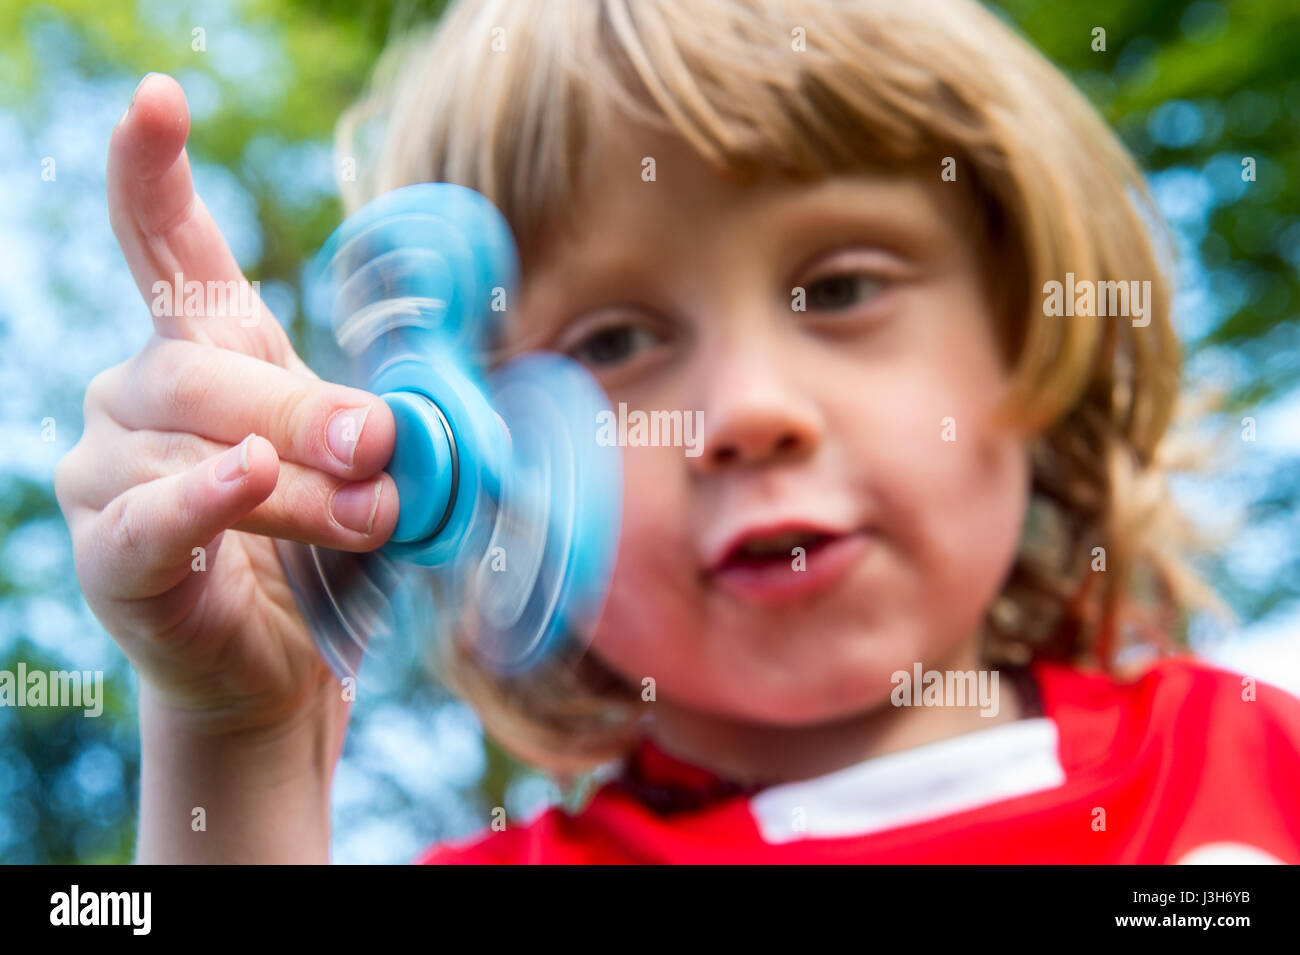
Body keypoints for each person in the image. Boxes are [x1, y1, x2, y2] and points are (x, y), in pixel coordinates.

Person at [56, 0, 1300, 864]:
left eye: (841, 287)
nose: (746, 413)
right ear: (487, 468)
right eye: (610, 344)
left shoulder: (1260, 767)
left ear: (1027, 331)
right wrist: (242, 747)